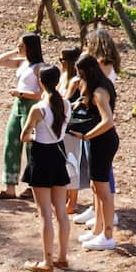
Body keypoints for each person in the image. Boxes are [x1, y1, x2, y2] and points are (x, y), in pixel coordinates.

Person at [20, 66, 74, 272]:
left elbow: (24, 136)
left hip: (41, 157)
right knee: (61, 210)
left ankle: (47, 261)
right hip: (58, 155)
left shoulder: (39, 109)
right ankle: (62, 257)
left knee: (44, 213)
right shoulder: (67, 105)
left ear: (41, 83)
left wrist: (35, 136)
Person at [71, 53, 120, 251]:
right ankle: (98, 230)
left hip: (103, 141)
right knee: (95, 187)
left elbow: (108, 121)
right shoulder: (99, 87)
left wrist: (86, 136)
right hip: (98, 141)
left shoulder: (99, 91)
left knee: (103, 191)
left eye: (81, 74)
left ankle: (108, 235)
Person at [0, 31, 45, 199]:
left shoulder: (39, 67)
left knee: (32, 146)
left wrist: (22, 93)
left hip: (31, 106)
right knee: (11, 142)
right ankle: (10, 186)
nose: (19, 47)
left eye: (21, 45)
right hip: (18, 105)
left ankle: (33, 185)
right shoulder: (24, 63)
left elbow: (41, 94)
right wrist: (16, 52)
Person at [58, 45, 86, 220]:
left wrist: (67, 93)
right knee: (65, 162)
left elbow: (66, 104)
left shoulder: (76, 82)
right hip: (62, 127)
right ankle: (67, 198)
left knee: (72, 161)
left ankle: (72, 202)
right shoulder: (64, 78)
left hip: (72, 127)